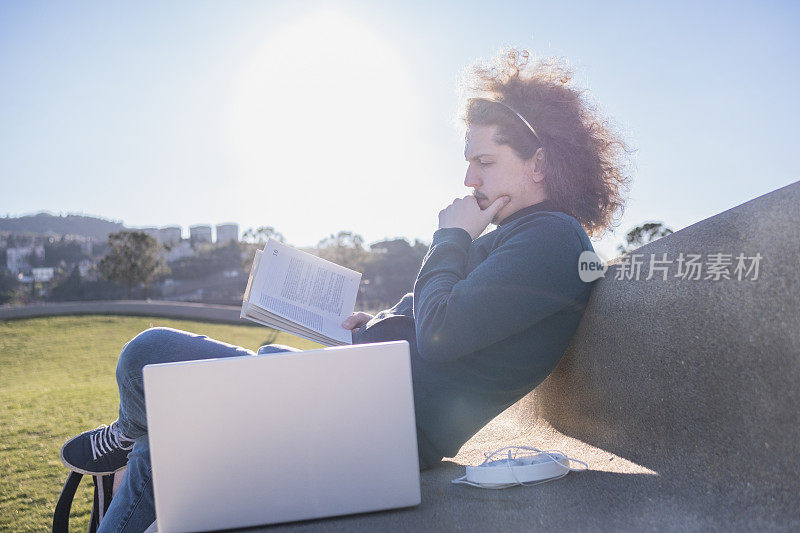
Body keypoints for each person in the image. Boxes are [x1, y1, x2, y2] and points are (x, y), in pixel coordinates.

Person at [60, 48, 629, 532]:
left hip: (376, 426)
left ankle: (127, 432)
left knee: (150, 354)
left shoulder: (552, 240)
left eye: (484, 162)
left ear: (541, 163)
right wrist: (378, 322)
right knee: (175, 415)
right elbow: (439, 318)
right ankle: (136, 435)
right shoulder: (522, 235)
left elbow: (440, 333)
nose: (469, 180)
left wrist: (450, 235)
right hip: (360, 400)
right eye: (467, 163)